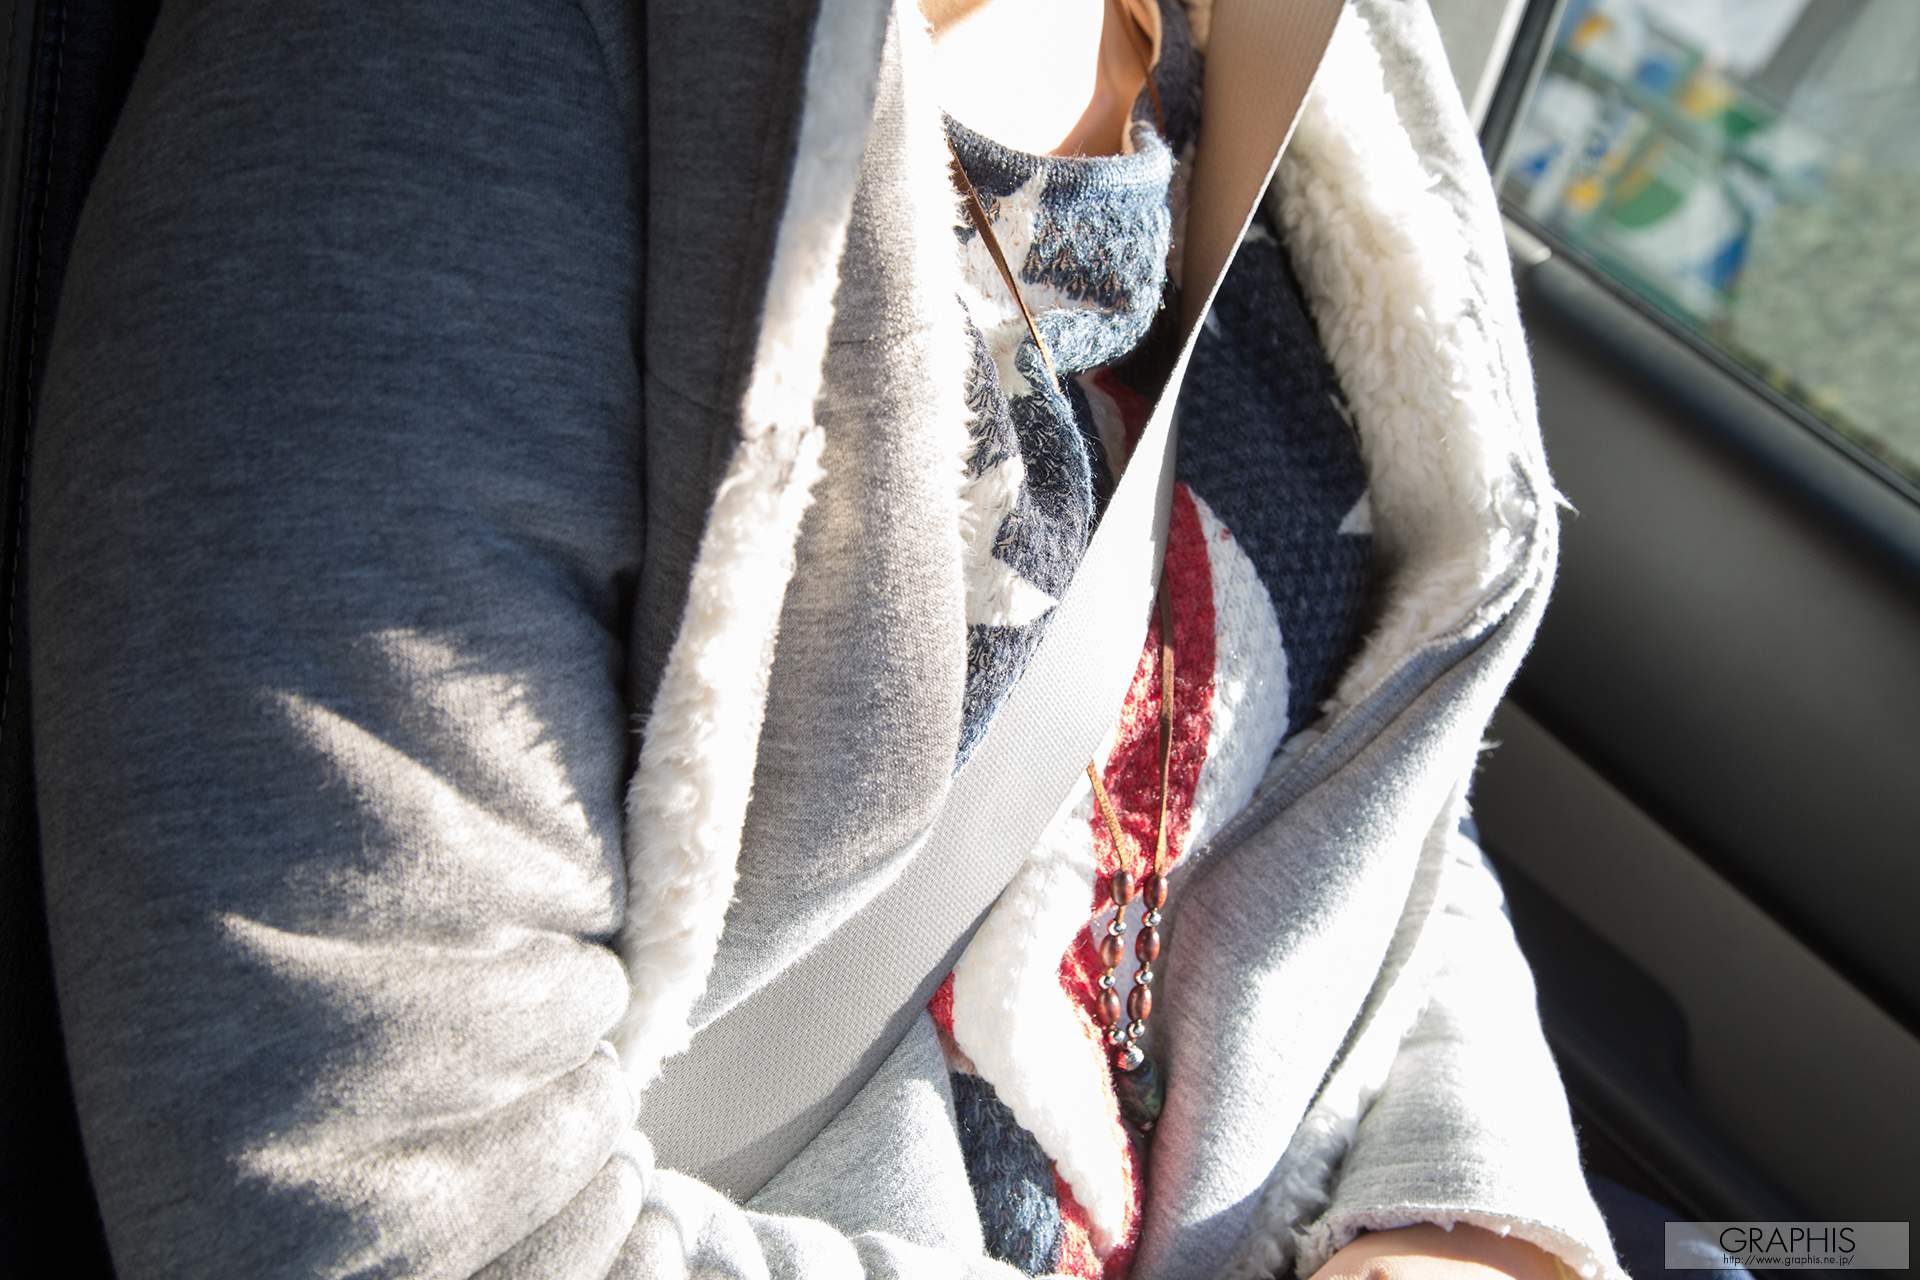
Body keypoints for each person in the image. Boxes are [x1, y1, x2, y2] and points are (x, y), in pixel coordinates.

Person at [26, 0, 1629, 1277]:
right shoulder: (425, 95)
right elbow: (394, 1200)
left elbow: (1359, 759)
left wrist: (1465, 1207)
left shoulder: (1306, 47)